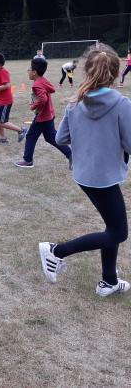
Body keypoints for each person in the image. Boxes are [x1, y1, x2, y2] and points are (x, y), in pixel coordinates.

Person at [39, 44, 131, 297]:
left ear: (86, 71)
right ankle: (56, 251)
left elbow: (60, 138)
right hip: (104, 177)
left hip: (85, 175)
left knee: (111, 227)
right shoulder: (122, 104)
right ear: (114, 74)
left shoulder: (74, 103)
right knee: (118, 232)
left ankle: (109, 281)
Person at [13, 58, 71, 168]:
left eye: (29, 69)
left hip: (42, 116)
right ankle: (71, 154)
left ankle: (28, 161)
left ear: (34, 72)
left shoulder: (36, 85)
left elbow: (43, 99)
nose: (28, 71)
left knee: (30, 136)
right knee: (50, 137)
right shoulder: (43, 80)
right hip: (49, 113)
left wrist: (33, 106)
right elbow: (52, 89)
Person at [0, 52, 27, 144]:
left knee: (1, 121)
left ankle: (21, 130)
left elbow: (8, 85)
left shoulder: (3, 72)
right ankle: (3, 138)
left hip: (5, 101)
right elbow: (2, 84)